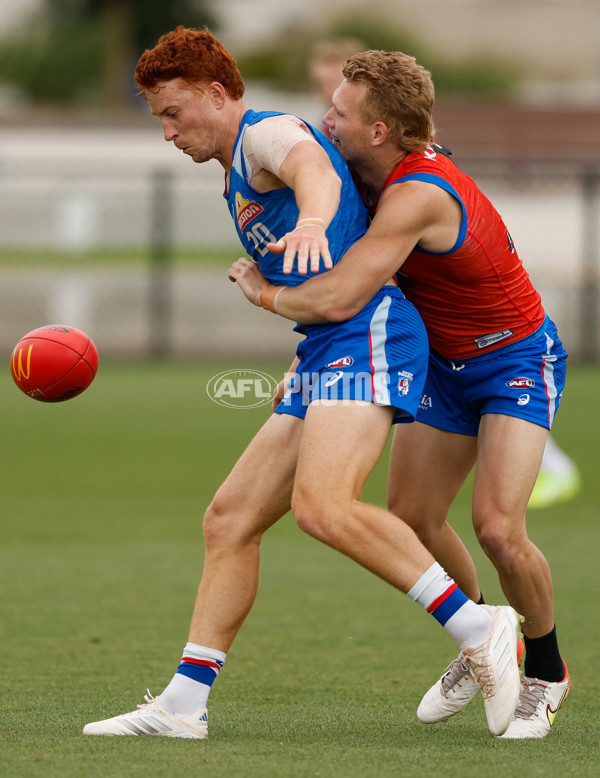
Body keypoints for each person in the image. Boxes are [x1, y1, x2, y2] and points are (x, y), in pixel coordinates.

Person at [82, 27, 522, 740]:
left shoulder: (265, 134)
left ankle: (482, 627)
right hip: (323, 347)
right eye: (158, 117)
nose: (166, 131)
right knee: (230, 519)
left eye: (173, 112)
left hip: (369, 333)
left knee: (324, 507)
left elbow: (311, 167)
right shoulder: (234, 169)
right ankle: (183, 707)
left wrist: (315, 219)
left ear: (217, 94)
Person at [228, 49, 571, 740]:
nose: (327, 122)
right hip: (443, 364)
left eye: (341, 114)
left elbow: (346, 293)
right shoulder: (365, 164)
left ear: (381, 131)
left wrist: (264, 292)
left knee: (500, 530)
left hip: (514, 358)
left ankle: (546, 668)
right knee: (412, 514)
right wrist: (310, 360)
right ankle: (484, 646)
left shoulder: (416, 193)